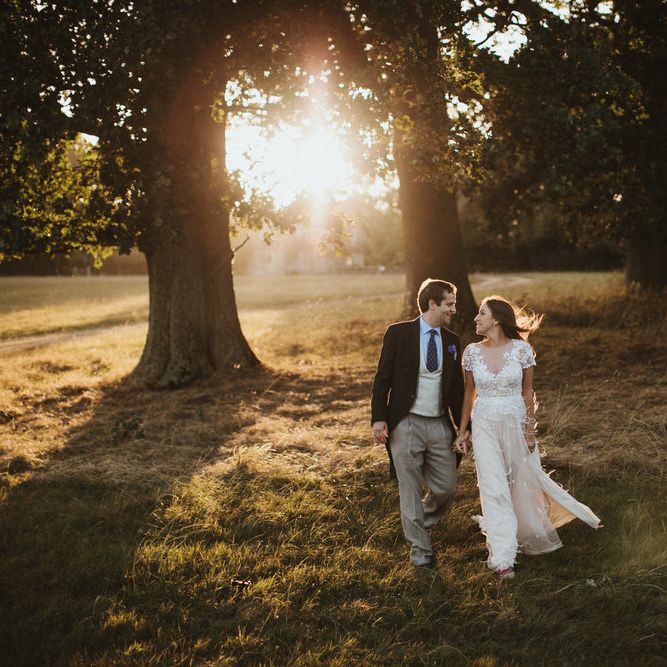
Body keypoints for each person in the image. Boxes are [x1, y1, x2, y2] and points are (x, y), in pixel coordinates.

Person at [453, 296, 601, 578]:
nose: (476, 318)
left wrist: (529, 431)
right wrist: (462, 432)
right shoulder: (471, 352)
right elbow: (469, 394)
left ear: (496, 319)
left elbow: (527, 392)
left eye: (482, 313)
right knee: (494, 487)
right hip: (484, 424)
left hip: (515, 423)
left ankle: (526, 528)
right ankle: (503, 557)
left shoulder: (521, 350)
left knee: (523, 483)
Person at [371, 279, 469, 568]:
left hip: (439, 425)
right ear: (432, 304)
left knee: (446, 489)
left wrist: (464, 429)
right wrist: (379, 418)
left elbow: (457, 390)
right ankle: (421, 553)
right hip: (406, 423)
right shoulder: (398, 333)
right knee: (410, 489)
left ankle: (414, 519)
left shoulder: (452, 341)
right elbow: (382, 378)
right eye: (449, 304)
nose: (453, 309)